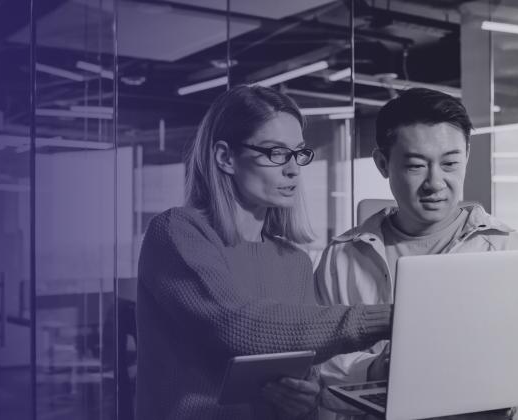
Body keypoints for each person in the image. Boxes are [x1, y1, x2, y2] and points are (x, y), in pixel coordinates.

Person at [135, 85, 393, 420]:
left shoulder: (293, 261)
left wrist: (306, 397)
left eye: (298, 153)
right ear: (225, 158)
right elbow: (236, 324)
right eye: (275, 152)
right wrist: (383, 319)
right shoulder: (177, 232)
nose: (293, 169)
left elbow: (305, 371)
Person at [314, 88, 518, 420]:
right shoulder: (341, 259)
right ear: (382, 164)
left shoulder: (509, 249)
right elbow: (317, 364)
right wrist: (375, 369)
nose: (435, 182)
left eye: (450, 163)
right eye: (416, 166)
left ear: (467, 155)